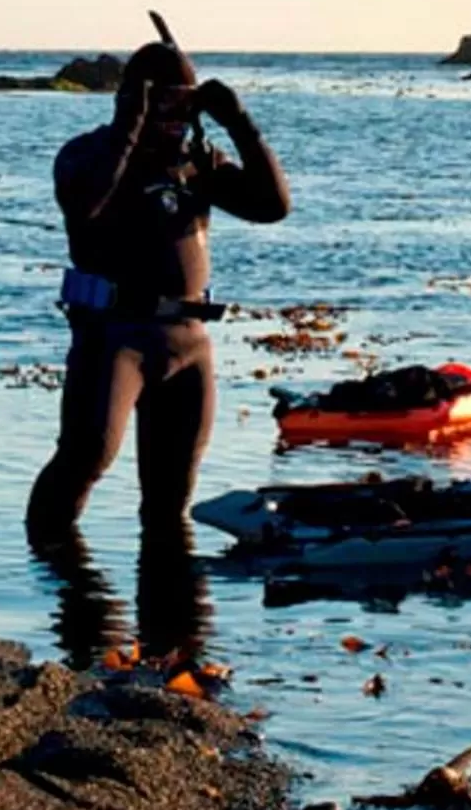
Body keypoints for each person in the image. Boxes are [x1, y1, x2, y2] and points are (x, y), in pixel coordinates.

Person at [25, 37, 290, 544]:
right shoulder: (87, 156)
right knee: (86, 458)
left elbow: (272, 206)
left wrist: (240, 124)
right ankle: (52, 576)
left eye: (186, 102)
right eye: (164, 101)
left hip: (188, 342)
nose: (174, 115)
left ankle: (170, 613)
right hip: (114, 338)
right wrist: (129, 127)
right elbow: (87, 206)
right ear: (134, 98)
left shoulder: (196, 163)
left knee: (171, 500)